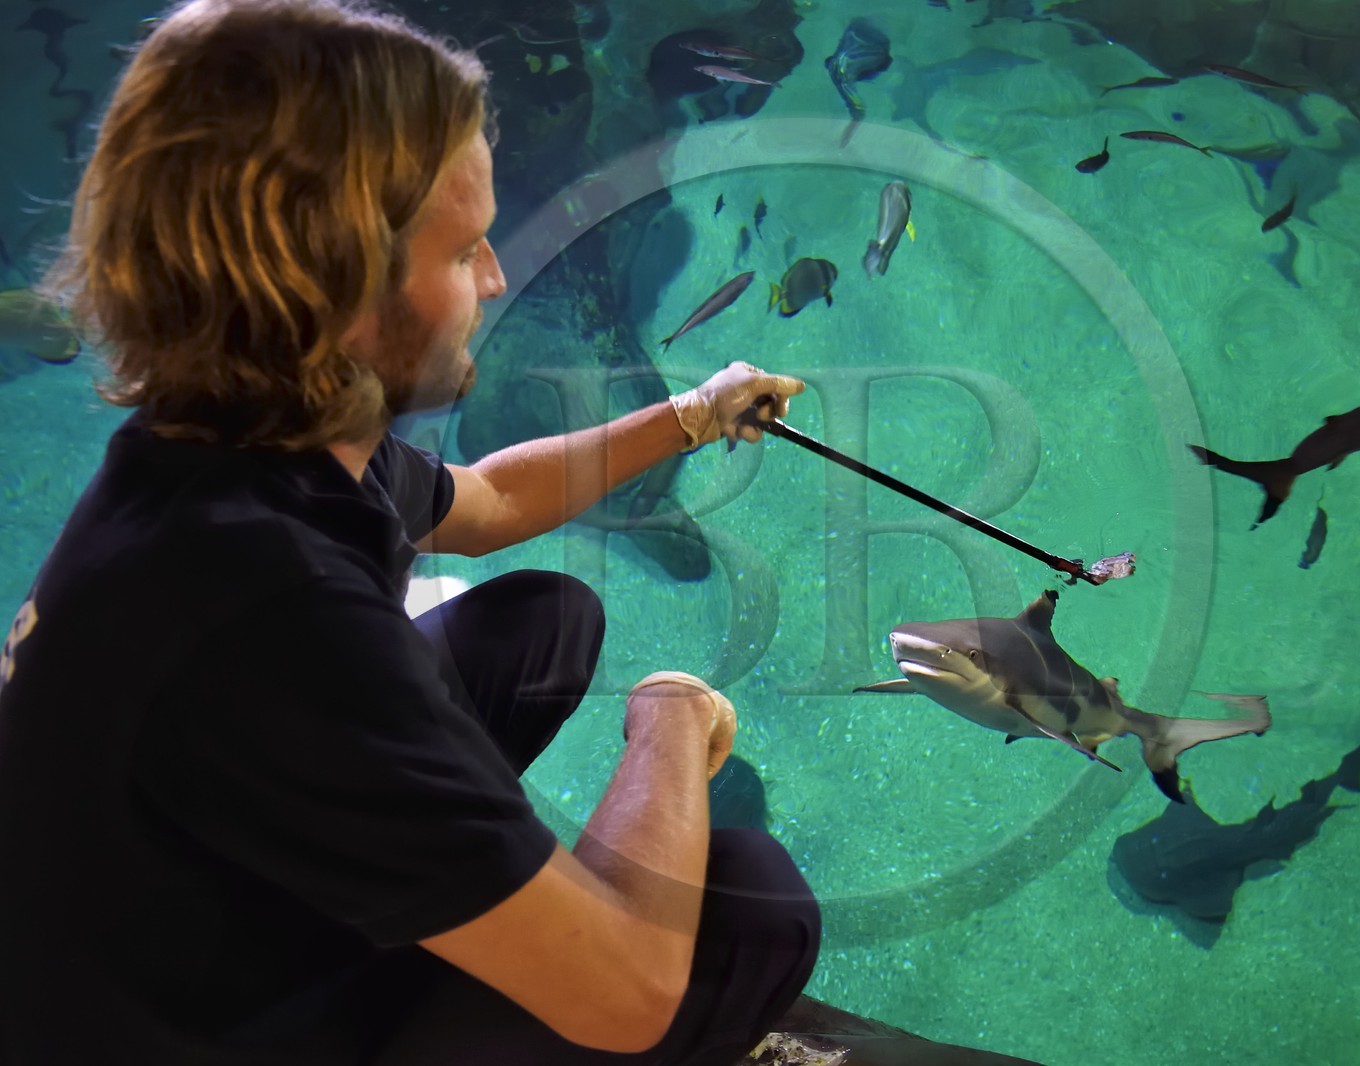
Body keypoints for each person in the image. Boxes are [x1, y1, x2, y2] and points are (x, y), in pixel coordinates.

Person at [0, 1, 817, 1063]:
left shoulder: (247, 427)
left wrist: (693, 413)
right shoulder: (278, 615)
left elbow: (487, 504)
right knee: (757, 899)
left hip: (186, 901)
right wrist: (668, 717)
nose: (494, 280)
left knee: (547, 616)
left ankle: (453, 894)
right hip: (187, 1029)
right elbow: (629, 993)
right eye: (467, 249)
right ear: (337, 288)